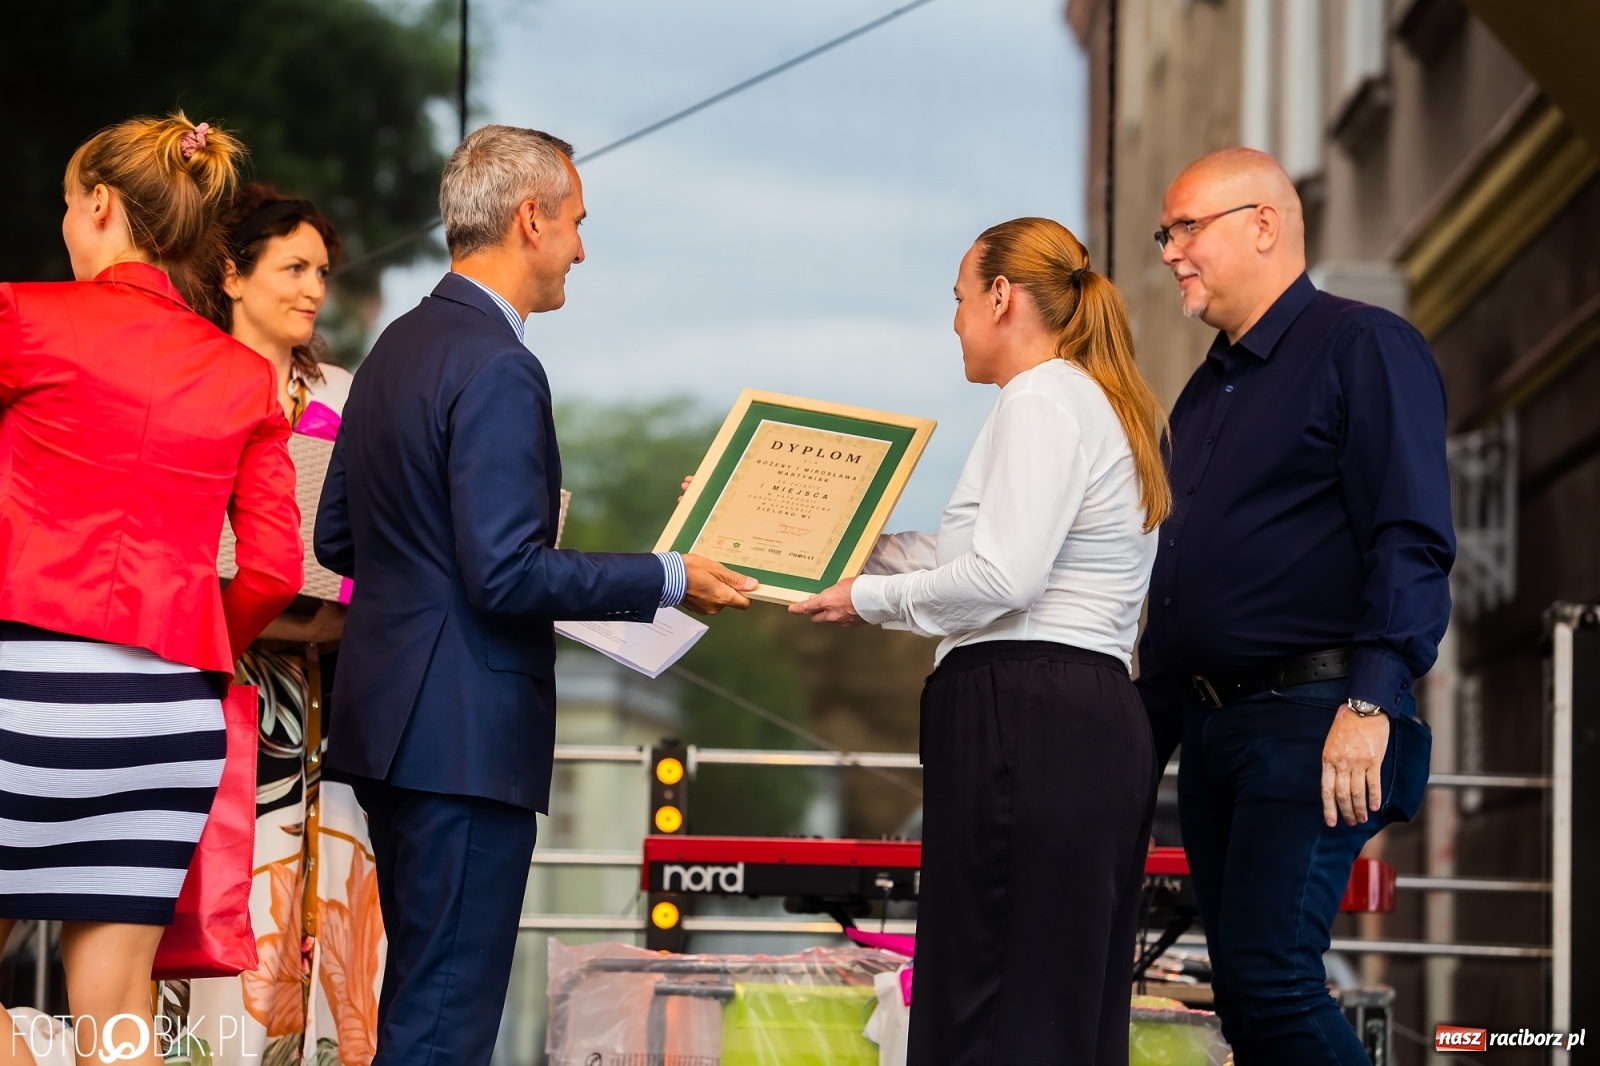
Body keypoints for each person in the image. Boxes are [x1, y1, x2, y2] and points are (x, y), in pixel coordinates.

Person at [313, 124, 756, 1065]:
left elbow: (337, 538)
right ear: (529, 220)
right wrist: (672, 574)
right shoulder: (502, 365)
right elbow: (505, 572)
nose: (581, 249)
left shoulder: (392, 348)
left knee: (418, 997)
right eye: (576, 224)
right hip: (467, 739)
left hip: (390, 731)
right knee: (446, 1019)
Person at [792, 217, 1171, 1065]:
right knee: (1055, 1005)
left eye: (960, 299)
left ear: (1003, 297)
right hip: (1074, 714)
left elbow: (1004, 580)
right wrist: (811, 536)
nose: (954, 321)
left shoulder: (1040, 398)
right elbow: (973, 557)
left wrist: (869, 600)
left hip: (1027, 717)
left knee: (993, 1007)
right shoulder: (1092, 401)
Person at [1136, 147, 1451, 1065]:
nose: (1170, 252)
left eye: (1188, 226)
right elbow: (1179, 572)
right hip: (1213, 729)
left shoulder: (1364, 345)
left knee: (1272, 980)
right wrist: (1137, 742)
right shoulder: (1201, 394)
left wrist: (1371, 701)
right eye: (1167, 231)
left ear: (1264, 224)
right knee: (1241, 988)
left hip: (1314, 718)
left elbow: (1411, 535)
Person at [0, 114, 301, 1064]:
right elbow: (271, 570)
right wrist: (190, 632)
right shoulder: (242, 375)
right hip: (168, 712)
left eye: (65, 208)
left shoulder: (24, 317)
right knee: (119, 1002)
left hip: (21, 683)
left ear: (99, 206)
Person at [178, 185, 381, 1065]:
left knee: (336, 890)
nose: (312, 291)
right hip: (222, 675)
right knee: (232, 892)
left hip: (334, 687)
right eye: (292, 268)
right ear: (230, 273)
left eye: (322, 274)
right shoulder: (187, 375)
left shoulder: (346, 392)